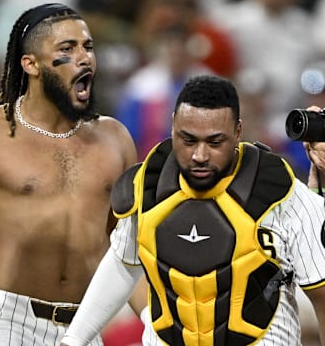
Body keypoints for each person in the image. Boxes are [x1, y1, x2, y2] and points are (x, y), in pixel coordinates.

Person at [61, 74, 325, 346]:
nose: (199, 155)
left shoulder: (279, 191)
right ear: (173, 124)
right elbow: (122, 264)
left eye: (214, 142)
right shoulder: (149, 184)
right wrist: (73, 340)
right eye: (188, 140)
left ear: (237, 132)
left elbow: (322, 297)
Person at [0, 2, 144, 345]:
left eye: (88, 47)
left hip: (85, 326)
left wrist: (156, 325)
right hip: (4, 324)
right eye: (67, 48)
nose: (84, 57)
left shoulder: (115, 140)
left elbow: (128, 253)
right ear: (30, 64)